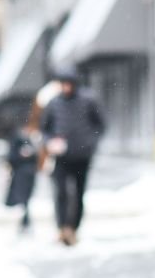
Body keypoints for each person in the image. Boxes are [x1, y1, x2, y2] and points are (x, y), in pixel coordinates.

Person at [40, 66, 106, 246]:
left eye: (69, 84)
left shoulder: (88, 100)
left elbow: (100, 125)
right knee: (60, 193)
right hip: (61, 157)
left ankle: (73, 229)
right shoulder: (53, 103)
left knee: (78, 194)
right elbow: (44, 129)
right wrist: (50, 142)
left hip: (82, 157)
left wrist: (90, 143)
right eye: (63, 84)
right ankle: (62, 228)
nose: (66, 87)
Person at [4, 117, 41, 232]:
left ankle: (25, 221)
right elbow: (11, 157)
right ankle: (24, 221)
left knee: (26, 199)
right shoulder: (18, 139)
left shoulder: (33, 139)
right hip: (21, 174)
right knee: (22, 199)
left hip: (29, 174)